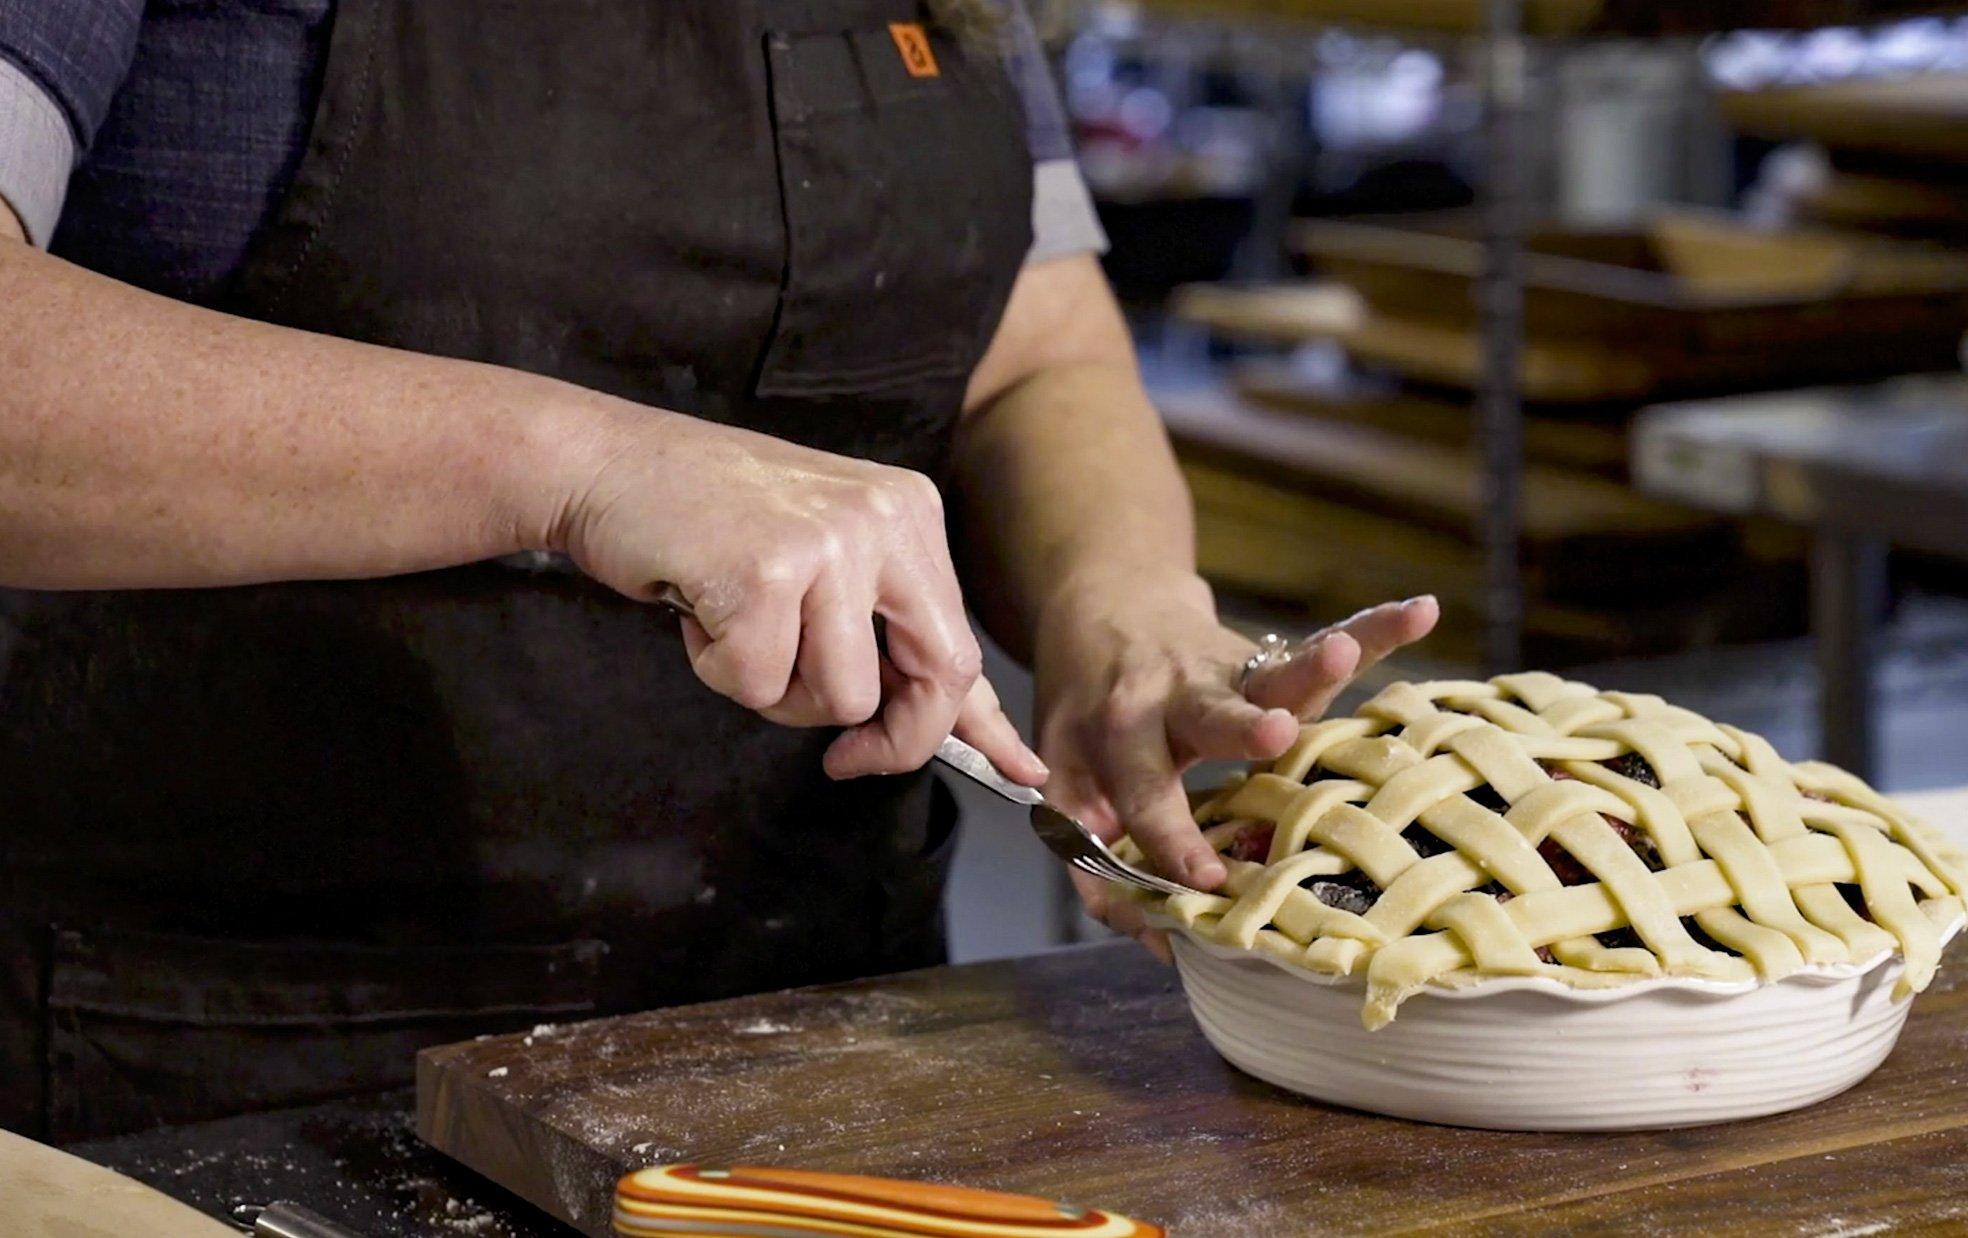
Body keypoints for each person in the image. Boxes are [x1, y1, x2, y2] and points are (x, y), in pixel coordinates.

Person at [0, 0, 1437, 1141]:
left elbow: (1031, 352)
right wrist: (580, 464)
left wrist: (1115, 606)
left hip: (830, 1030)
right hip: (219, 1050)